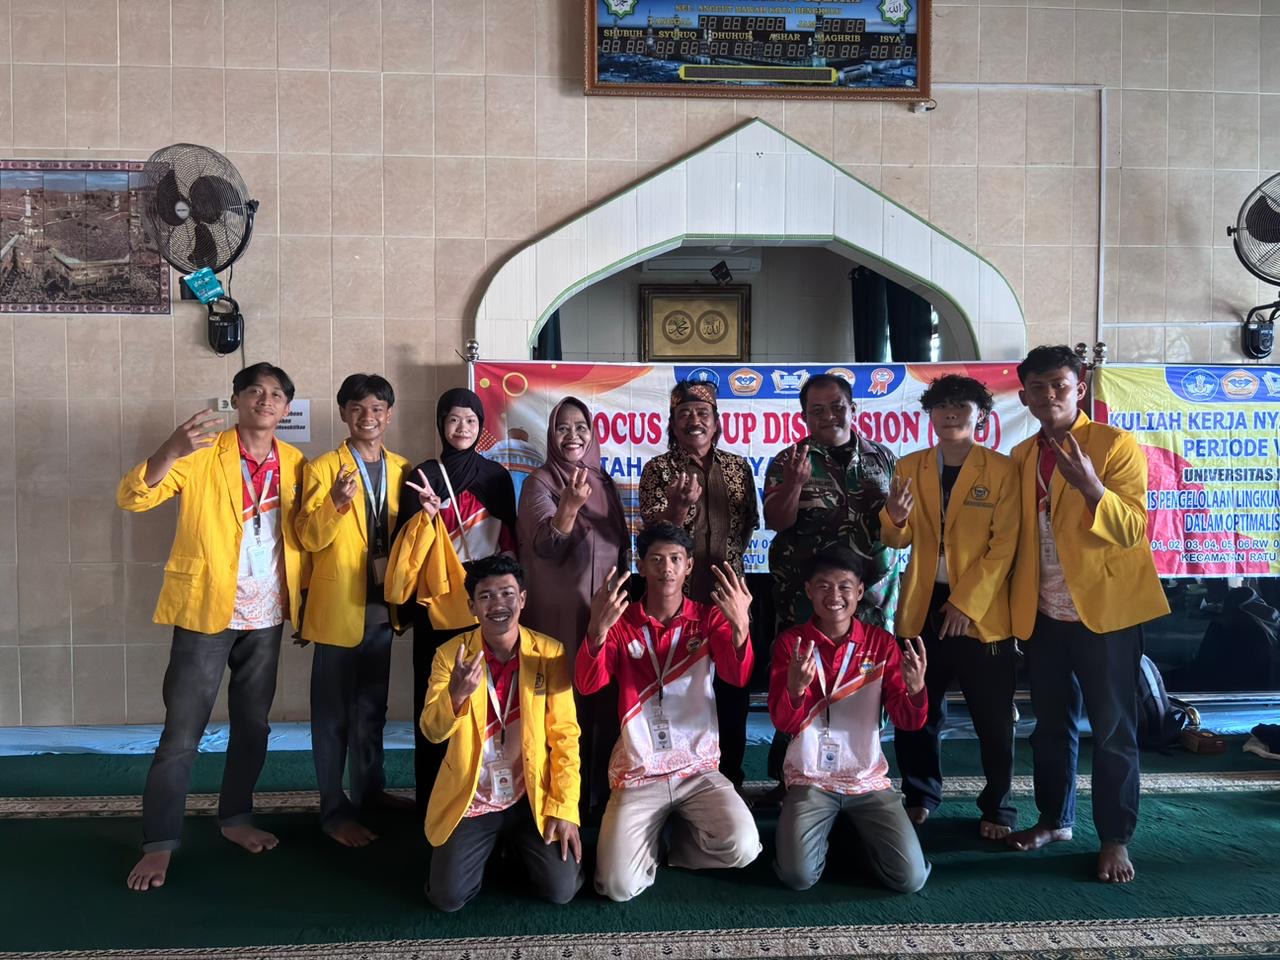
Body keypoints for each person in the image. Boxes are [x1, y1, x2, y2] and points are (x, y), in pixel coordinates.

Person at [117, 363, 306, 892]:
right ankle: (159, 844)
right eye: (255, 392)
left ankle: (236, 818)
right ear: (237, 400)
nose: (265, 401)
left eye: (276, 395)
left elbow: (309, 534)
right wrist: (171, 450)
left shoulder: (296, 464)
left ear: (286, 409)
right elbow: (133, 497)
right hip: (207, 612)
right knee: (182, 733)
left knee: (254, 725)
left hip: (267, 615)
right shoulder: (202, 454)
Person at [1004, 345, 1169, 884]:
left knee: (1114, 731)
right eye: (1037, 387)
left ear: (1079, 387)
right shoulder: (1025, 455)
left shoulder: (1114, 444)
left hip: (1106, 614)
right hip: (1045, 616)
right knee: (1050, 727)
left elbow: (1134, 529)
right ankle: (1054, 820)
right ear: (1024, 396)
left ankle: (1116, 838)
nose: (1048, 395)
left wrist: (1091, 486)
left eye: (1058, 384)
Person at [577, 521, 761, 902]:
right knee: (616, 886)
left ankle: (672, 844)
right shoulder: (620, 622)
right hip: (639, 771)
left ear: (689, 566)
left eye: (675, 559)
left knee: (743, 847)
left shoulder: (708, 619)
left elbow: (736, 675)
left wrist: (741, 627)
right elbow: (587, 684)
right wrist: (596, 631)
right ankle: (648, 837)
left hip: (697, 768)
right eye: (656, 560)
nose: (666, 568)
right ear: (641, 566)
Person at [880, 375, 1021, 838]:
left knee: (993, 717)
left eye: (961, 406)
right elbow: (896, 538)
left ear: (981, 414)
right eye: (942, 406)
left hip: (981, 612)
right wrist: (896, 518)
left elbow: (1004, 547)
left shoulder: (1002, 470)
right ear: (930, 415)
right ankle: (921, 794)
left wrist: (966, 604)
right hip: (921, 606)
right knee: (918, 708)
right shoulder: (910, 465)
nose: (951, 414)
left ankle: (998, 806)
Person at [421, 555, 583, 911]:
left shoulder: (549, 653)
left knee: (561, 890)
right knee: (447, 898)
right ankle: (490, 850)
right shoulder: (451, 657)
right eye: (486, 596)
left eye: (507, 594)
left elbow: (565, 737)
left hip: (530, 795)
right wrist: (457, 694)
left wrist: (565, 807)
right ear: (472, 607)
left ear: (522, 599)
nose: (498, 605)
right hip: (474, 797)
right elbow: (432, 730)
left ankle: (514, 847)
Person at [769, 547, 930, 894]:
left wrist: (915, 690)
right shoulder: (791, 644)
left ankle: (850, 833)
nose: (835, 596)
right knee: (797, 878)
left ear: (859, 592)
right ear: (809, 591)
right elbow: (783, 722)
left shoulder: (881, 645)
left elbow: (908, 721)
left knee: (910, 880)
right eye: (824, 586)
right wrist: (795, 690)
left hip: (866, 780)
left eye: (844, 586)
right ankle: (840, 832)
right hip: (810, 778)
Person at [296, 374, 413, 847]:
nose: (369, 417)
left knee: (371, 708)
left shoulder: (404, 469)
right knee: (331, 715)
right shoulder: (323, 468)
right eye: (358, 408)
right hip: (337, 605)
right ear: (344, 413)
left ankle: (371, 791)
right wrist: (337, 504)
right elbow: (308, 536)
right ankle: (333, 810)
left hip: (383, 606)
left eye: (378, 408)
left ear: (389, 414)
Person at [395, 387, 517, 816]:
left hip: (488, 605)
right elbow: (406, 550)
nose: (461, 428)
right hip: (440, 607)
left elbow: (509, 543)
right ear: (440, 425)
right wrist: (425, 515)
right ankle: (433, 798)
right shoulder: (424, 474)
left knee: (490, 699)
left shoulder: (496, 477)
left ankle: (487, 796)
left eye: (470, 420)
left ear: (481, 427)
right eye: (452, 419)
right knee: (438, 699)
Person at [639, 379, 760, 789]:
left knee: (732, 689)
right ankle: (674, 772)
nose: (694, 421)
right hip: (678, 603)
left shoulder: (738, 466)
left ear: (716, 422)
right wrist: (678, 507)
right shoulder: (658, 469)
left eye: (702, 413)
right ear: (672, 424)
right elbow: (656, 538)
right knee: (679, 691)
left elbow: (747, 527)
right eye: (684, 414)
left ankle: (731, 778)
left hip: (728, 598)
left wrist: (730, 573)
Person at [518, 397, 629, 816]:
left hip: (603, 614)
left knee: (604, 699)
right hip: (558, 613)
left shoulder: (607, 483)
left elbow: (623, 551)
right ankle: (558, 799)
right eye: (563, 428)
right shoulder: (539, 483)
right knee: (564, 703)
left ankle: (599, 796)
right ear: (551, 435)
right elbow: (546, 545)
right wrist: (568, 508)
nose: (573, 436)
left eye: (580, 426)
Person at [764, 373, 899, 632]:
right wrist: (793, 485)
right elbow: (777, 522)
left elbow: (901, 523)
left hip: (874, 599)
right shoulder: (788, 461)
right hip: (809, 600)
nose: (829, 416)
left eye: (838, 407)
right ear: (803, 416)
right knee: (806, 670)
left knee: (874, 671)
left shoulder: (883, 458)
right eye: (818, 410)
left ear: (853, 409)